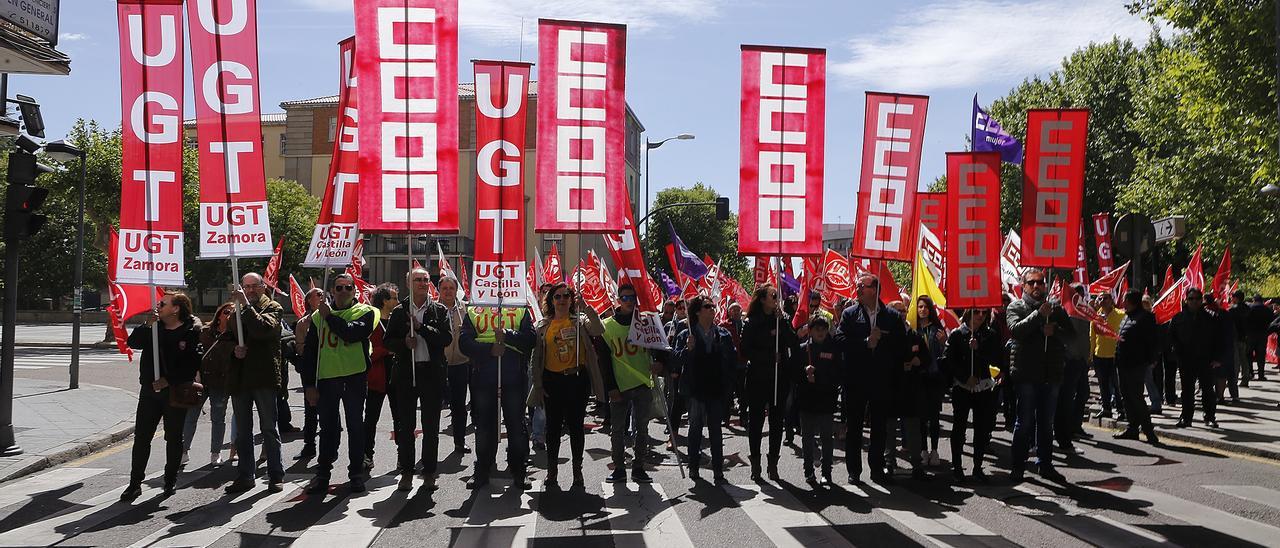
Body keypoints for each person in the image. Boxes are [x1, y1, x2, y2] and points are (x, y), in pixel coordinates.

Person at [301, 273, 379, 495]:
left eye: (348, 288)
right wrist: (309, 385)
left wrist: (330, 317)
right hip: (327, 379)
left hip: (354, 377)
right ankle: (323, 473)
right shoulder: (318, 317)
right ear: (332, 291)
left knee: (355, 427)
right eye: (339, 288)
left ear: (355, 290)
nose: (343, 291)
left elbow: (352, 333)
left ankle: (355, 473)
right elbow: (310, 353)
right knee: (327, 428)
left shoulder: (366, 312)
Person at [122, 291, 202, 500]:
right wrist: (147, 324)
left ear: (176, 309)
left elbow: (192, 363)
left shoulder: (190, 330)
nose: (158, 306)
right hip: (149, 391)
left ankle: (170, 479)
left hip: (174, 391)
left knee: (174, 437)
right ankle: (135, 482)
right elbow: (134, 342)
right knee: (142, 437)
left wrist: (168, 380)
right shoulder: (154, 327)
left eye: (163, 304)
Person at [527, 283, 605, 488]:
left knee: (576, 427)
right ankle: (552, 471)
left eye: (566, 296)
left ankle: (577, 471)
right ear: (551, 301)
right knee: (552, 429)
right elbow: (536, 358)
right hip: (552, 381)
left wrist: (587, 306)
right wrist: (537, 383)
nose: (562, 299)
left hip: (576, 380)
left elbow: (599, 329)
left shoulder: (580, 321)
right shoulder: (542, 326)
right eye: (557, 296)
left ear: (571, 300)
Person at [384, 267, 453, 491]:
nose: (423, 283)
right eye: (418, 280)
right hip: (406, 373)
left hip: (431, 374)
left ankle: (430, 471)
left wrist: (422, 328)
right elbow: (388, 341)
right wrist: (404, 343)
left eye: (425, 280)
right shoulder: (399, 311)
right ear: (409, 284)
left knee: (431, 426)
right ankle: (406, 471)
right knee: (406, 426)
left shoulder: (439, 310)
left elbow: (445, 338)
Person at [834, 274, 905, 485]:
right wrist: (865, 342)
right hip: (855, 380)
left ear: (874, 289)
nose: (857, 288)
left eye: (861, 286)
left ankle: (877, 468)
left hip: (881, 380)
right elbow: (840, 340)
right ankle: (854, 471)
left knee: (879, 427)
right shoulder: (850, 314)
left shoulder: (891, 316)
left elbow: (901, 346)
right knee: (854, 427)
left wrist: (883, 339)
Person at [1005, 269, 1073, 484]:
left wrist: (1055, 331)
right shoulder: (1015, 306)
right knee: (1024, 422)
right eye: (1032, 283)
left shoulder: (1056, 308)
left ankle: (1045, 465)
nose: (1037, 287)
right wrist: (1038, 316)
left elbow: (1071, 336)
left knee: (1046, 423)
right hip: (1026, 375)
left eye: (1040, 283)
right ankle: (1018, 467)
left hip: (1050, 375)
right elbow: (1016, 330)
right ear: (1023, 285)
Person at [459, 303, 536, 489]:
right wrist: (489, 350)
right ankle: (483, 468)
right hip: (484, 375)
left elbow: (531, 339)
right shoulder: (473, 310)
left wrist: (508, 335)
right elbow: (464, 343)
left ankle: (519, 469)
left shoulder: (519, 308)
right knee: (484, 425)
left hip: (514, 375)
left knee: (516, 424)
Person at [224, 272, 286, 494]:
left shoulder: (273, 307)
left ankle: (275, 474)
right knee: (243, 430)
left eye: (254, 286)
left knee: (269, 427)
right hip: (240, 378)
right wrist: (234, 349)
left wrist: (246, 307)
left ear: (263, 287)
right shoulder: (235, 311)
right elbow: (226, 340)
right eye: (246, 286)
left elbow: (263, 330)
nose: (250, 290)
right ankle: (245, 475)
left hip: (263, 376)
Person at [599, 284, 664, 484]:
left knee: (642, 428)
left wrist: (659, 362)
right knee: (617, 430)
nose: (629, 301)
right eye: (625, 298)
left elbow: (659, 344)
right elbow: (603, 360)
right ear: (618, 300)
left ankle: (638, 466)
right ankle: (619, 467)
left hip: (643, 382)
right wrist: (611, 387)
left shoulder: (645, 322)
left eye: (632, 297)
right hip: (620, 385)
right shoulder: (607, 326)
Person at [675, 295, 738, 483]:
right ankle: (694, 466)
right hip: (695, 389)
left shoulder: (723, 334)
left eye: (712, 305)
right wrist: (687, 349)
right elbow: (675, 360)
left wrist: (728, 385)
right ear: (697, 311)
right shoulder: (686, 334)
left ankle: (718, 469)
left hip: (716, 388)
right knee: (695, 429)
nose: (712, 308)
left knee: (715, 430)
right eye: (707, 306)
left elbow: (732, 362)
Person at [741, 283, 800, 482]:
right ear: (763, 299)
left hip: (778, 378)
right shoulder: (751, 322)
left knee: (777, 422)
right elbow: (745, 350)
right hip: (758, 378)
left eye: (777, 296)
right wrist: (768, 357)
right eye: (772, 295)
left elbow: (792, 341)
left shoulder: (780, 320)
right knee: (756, 422)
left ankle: (773, 463)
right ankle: (755, 463)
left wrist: (782, 322)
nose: (776, 299)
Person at [946, 308, 1000, 483]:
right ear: (969, 313)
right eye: (976, 312)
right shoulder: (956, 334)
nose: (980, 316)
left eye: (984, 313)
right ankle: (957, 467)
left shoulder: (990, 335)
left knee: (981, 429)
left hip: (982, 387)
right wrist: (963, 377)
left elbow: (996, 359)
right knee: (959, 427)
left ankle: (978, 467)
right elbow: (949, 361)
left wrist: (978, 349)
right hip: (962, 387)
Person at [183, 302, 235, 468]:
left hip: (221, 383)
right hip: (200, 381)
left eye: (233, 313)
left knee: (218, 418)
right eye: (226, 312)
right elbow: (193, 353)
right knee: (190, 417)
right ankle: (183, 451)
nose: (229, 315)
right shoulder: (205, 332)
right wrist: (194, 372)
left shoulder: (235, 335)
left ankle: (215, 452)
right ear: (219, 314)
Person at [795, 315, 841, 486]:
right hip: (807, 400)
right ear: (811, 331)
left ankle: (826, 472)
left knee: (827, 438)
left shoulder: (834, 349)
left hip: (826, 399)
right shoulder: (802, 349)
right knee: (807, 438)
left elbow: (838, 373)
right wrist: (804, 372)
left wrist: (819, 376)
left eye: (823, 329)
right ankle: (809, 470)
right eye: (817, 329)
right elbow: (794, 374)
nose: (820, 332)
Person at [1170, 287, 1224, 428]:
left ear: (1201, 301)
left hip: (1206, 360)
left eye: (1197, 299)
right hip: (1186, 360)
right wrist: (1176, 353)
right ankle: (1186, 418)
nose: (1194, 301)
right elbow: (1171, 338)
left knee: (1208, 390)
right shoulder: (1178, 318)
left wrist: (1217, 358)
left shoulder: (1211, 318)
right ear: (1186, 300)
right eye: (1191, 299)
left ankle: (1210, 416)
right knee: (1187, 391)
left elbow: (1219, 340)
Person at [889, 300, 930, 480]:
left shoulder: (915, 335)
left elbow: (926, 358)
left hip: (911, 388)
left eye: (903, 310)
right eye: (897, 311)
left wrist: (918, 361)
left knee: (913, 427)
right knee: (889, 427)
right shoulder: (886, 335)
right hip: (892, 386)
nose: (901, 314)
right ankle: (889, 462)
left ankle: (916, 463)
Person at [1114, 289, 1160, 444]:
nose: (1123, 303)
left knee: (1137, 397)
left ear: (1132, 301)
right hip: (1123, 363)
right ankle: (1132, 428)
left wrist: (1151, 359)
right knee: (1126, 396)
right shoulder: (1126, 317)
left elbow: (1152, 341)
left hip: (1136, 364)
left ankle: (1149, 431)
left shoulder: (1145, 318)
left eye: (1126, 300)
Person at [363, 283, 399, 472]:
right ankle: (367, 454)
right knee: (370, 419)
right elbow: (366, 350)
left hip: (397, 377)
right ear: (385, 301)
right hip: (377, 378)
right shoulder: (372, 320)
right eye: (394, 298)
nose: (397, 301)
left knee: (400, 418)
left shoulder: (398, 319)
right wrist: (385, 350)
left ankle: (403, 456)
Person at [289, 288, 325, 460]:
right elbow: (300, 347)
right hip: (310, 370)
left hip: (330, 369)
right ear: (309, 300)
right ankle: (309, 445)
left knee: (329, 409)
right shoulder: (304, 323)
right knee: (311, 408)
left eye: (323, 294)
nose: (321, 297)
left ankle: (329, 447)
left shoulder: (330, 318)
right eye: (317, 295)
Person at [438, 276, 472, 454]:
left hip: (460, 362)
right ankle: (431, 445)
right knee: (436, 405)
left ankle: (460, 441)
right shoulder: (433, 309)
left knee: (459, 405)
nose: (448, 291)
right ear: (439, 291)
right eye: (445, 288)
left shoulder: (465, 310)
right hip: (438, 364)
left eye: (451, 288)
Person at [1057, 284, 1092, 456]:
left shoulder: (1085, 313)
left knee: (1082, 394)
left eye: (1081, 295)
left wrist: (1086, 357)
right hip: (1068, 361)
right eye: (1076, 294)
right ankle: (1064, 435)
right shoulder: (1063, 311)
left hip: (1080, 361)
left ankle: (1075, 426)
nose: (1079, 297)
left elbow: (1086, 336)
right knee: (1064, 400)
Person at [912, 295, 947, 467]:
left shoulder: (937, 329)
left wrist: (943, 343)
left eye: (925, 307)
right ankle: (923, 449)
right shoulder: (914, 329)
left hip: (934, 378)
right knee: (921, 417)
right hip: (919, 378)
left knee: (933, 417)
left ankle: (934, 450)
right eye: (919, 307)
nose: (922, 310)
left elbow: (944, 355)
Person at [1091, 293, 1125, 420]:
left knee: (1117, 385)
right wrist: (1091, 355)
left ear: (1112, 300)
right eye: (1100, 298)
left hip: (1115, 355)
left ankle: (1121, 409)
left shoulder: (1121, 315)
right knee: (1103, 384)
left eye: (1105, 298)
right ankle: (1106, 409)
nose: (1102, 300)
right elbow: (1092, 336)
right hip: (1099, 355)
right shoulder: (1095, 317)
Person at [1246, 295, 1275, 382]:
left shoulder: (1249, 308)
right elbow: (1272, 321)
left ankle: (1250, 373)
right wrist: (1267, 331)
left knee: (1249, 355)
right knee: (1261, 356)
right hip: (1262, 334)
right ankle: (1261, 375)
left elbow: (1245, 320)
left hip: (1251, 334)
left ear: (1254, 300)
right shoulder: (1267, 309)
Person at [1227, 290, 1250, 397]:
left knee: (1236, 362)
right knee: (1244, 360)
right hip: (1244, 337)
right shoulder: (1248, 309)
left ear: (1236, 298)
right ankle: (1245, 379)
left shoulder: (1232, 310)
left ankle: (1234, 381)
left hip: (1235, 338)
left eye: (1233, 297)